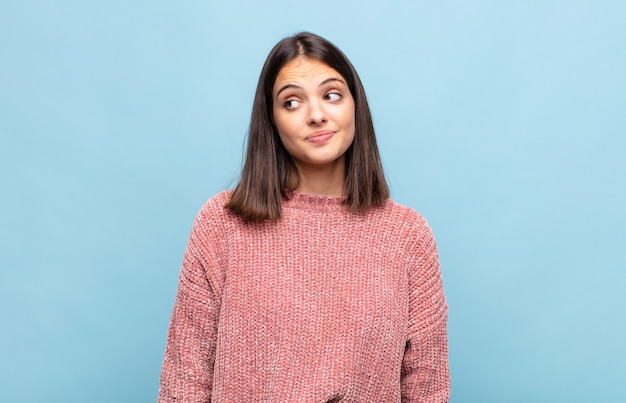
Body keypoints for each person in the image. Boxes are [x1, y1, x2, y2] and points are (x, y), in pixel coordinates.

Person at [157, 32, 449, 402]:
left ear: (355, 106)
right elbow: (186, 380)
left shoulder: (408, 235)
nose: (316, 115)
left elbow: (427, 388)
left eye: (331, 95)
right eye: (292, 102)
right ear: (272, 120)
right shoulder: (222, 223)